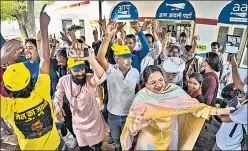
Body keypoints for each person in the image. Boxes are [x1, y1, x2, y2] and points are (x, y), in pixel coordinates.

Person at [1, 5, 68, 150]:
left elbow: (43, 60)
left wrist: (2, 60)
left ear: (6, 88)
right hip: (57, 146)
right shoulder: (41, 92)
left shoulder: (8, 108)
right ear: (30, 80)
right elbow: (45, 60)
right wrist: (44, 28)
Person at [120, 65, 234, 150]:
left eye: (161, 80)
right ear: (146, 84)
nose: (159, 85)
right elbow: (130, 127)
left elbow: (195, 107)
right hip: (150, 142)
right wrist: (136, 127)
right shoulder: (141, 98)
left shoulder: (173, 91)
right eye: (153, 82)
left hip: (170, 139)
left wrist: (220, 110)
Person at [97, 21, 140, 151]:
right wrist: (107, 37)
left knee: (129, 141)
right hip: (113, 114)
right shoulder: (110, 70)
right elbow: (100, 57)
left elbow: (138, 90)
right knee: (116, 141)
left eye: (130, 58)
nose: (129, 60)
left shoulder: (135, 72)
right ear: (117, 59)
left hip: (130, 114)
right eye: (125, 58)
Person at [54, 51, 108, 151]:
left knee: (98, 147)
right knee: (83, 148)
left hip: (94, 122)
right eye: (76, 70)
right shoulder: (63, 81)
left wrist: (91, 58)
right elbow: (58, 96)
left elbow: (101, 76)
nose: (80, 73)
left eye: (82, 69)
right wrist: (57, 107)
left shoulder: (89, 78)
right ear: (69, 69)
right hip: (78, 124)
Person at [213, 55, 247, 150]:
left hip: (229, 146)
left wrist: (214, 110)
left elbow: (224, 118)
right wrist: (234, 65)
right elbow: (238, 83)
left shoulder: (246, 110)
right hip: (222, 139)